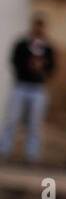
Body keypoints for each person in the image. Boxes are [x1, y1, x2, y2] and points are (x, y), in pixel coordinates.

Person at [0, 14, 56, 163]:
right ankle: (4, 149)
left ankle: (32, 154)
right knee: (12, 119)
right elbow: (14, 61)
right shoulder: (22, 44)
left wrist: (41, 68)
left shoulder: (48, 48)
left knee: (34, 123)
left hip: (38, 88)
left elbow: (52, 68)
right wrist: (28, 66)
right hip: (21, 85)